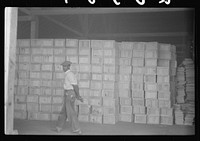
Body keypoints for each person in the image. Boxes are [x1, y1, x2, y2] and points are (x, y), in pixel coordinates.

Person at [55, 61, 83, 134]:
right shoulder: (67, 74)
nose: (63, 68)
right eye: (63, 66)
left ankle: (77, 129)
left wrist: (78, 95)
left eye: (65, 66)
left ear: (68, 67)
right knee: (63, 112)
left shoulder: (70, 75)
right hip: (67, 94)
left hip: (70, 94)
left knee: (71, 112)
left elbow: (75, 86)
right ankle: (59, 127)